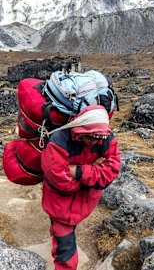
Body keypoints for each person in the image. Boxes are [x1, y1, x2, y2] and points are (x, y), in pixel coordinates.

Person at [40, 105, 121, 270]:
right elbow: (60, 182)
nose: (95, 142)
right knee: (66, 253)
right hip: (60, 206)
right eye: (91, 137)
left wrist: (77, 171)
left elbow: (110, 173)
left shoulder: (106, 138)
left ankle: (57, 235)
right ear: (80, 131)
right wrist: (93, 170)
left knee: (66, 235)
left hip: (82, 204)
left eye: (99, 138)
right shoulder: (59, 140)